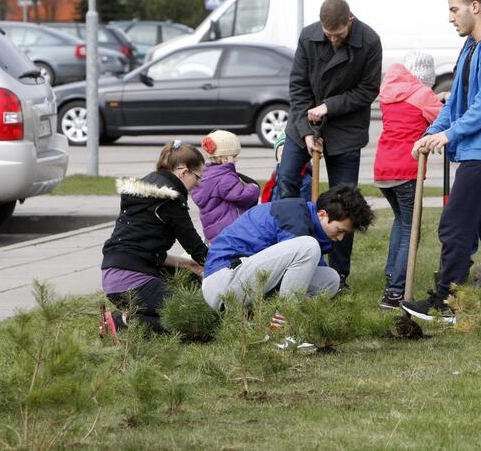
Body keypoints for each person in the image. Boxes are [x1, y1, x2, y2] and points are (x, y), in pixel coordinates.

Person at [400, 0, 481, 322]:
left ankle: (445, 304)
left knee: (455, 226)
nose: (450, 17)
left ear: (475, 6)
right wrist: (431, 133)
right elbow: (454, 102)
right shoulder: (471, 47)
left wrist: (450, 134)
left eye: (454, 10)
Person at [278, 0, 382, 290]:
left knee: (343, 200)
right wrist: (306, 131)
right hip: (304, 121)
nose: (333, 39)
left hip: (346, 126)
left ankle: (339, 274)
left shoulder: (370, 41)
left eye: (338, 34)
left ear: (350, 20)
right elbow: (298, 87)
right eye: (328, 35)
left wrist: (329, 107)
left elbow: (367, 91)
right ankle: (289, 260)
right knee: (286, 183)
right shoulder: (308, 36)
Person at [201, 184, 375, 313]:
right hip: (223, 285)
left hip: (244, 281)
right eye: (340, 230)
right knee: (308, 247)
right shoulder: (295, 220)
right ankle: (284, 325)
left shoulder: (306, 220)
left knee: (331, 279)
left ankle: (264, 318)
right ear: (323, 214)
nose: (340, 238)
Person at [100, 140, 208, 335]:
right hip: (130, 281)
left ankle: (130, 314)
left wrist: (188, 264)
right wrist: (223, 270)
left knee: (192, 279)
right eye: (198, 177)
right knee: (189, 317)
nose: (199, 183)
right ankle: (120, 322)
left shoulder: (147, 189)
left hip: (114, 273)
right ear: (183, 172)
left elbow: (142, 248)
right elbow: (197, 249)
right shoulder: (170, 200)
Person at [373, 51, 442, 310]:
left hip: (383, 169)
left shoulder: (390, 93)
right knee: (411, 231)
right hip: (406, 170)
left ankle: (392, 276)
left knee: (400, 223)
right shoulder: (422, 95)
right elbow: (442, 118)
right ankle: (395, 292)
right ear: (425, 78)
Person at [191, 130, 260, 242]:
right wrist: (253, 188)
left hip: (215, 233)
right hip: (232, 232)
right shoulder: (225, 177)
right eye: (234, 157)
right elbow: (242, 196)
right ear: (224, 158)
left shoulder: (205, 175)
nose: (236, 160)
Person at [260, 134, 313, 203]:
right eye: (281, 156)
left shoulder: (304, 179)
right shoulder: (276, 175)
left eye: (288, 157)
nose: (285, 160)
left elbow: (303, 203)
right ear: (277, 159)